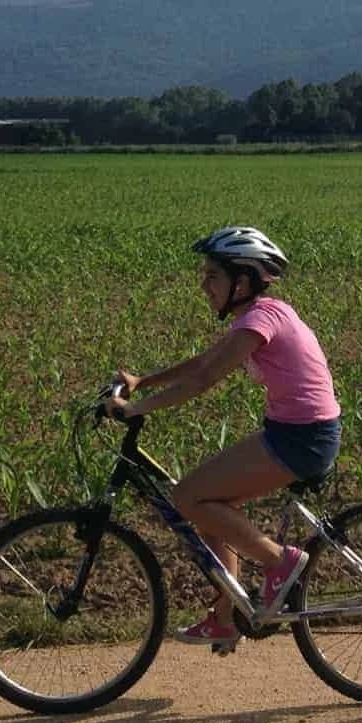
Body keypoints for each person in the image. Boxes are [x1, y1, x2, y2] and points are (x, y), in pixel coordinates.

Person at [109, 226, 343, 647]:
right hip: (294, 432)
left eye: (212, 276)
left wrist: (135, 409)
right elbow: (205, 360)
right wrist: (143, 381)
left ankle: (280, 561)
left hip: (302, 438)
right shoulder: (258, 317)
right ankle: (226, 615)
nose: (204, 285)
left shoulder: (261, 319)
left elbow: (204, 379)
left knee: (188, 496)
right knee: (208, 504)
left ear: (243, 280)